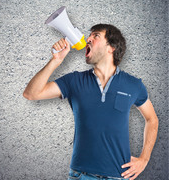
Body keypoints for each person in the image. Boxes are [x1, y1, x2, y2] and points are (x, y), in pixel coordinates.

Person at [23, 24, 158, 180]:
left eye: (96, 36)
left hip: (118, 176)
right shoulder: (74, 81)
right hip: (81, 175)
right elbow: (31, 94)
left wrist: (144, 159)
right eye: (90, 35)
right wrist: (55, 61)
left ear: (111, 47)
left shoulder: (134, 85)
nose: (88, 39)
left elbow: (152, 119)